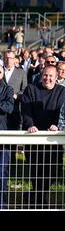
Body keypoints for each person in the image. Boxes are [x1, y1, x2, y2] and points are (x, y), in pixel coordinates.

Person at [21, 65, 65, 209]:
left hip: (53, 138)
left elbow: (61, 109)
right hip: (34, 136)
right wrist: (30, 125)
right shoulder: (31, 89)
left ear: (56, 77)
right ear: (42, 75)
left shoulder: (61, 90)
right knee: (36, 170)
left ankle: (35, 195)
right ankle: (39, 199)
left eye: (51, 76)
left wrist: (56, 125)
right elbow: (26, 109)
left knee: (54, 170)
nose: (47, 78)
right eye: (45, 75)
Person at [0, 67, 14, 209]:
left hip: (2, 135)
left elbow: (9, 107)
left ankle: (1, 204)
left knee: (1, 172)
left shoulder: (8, 89)